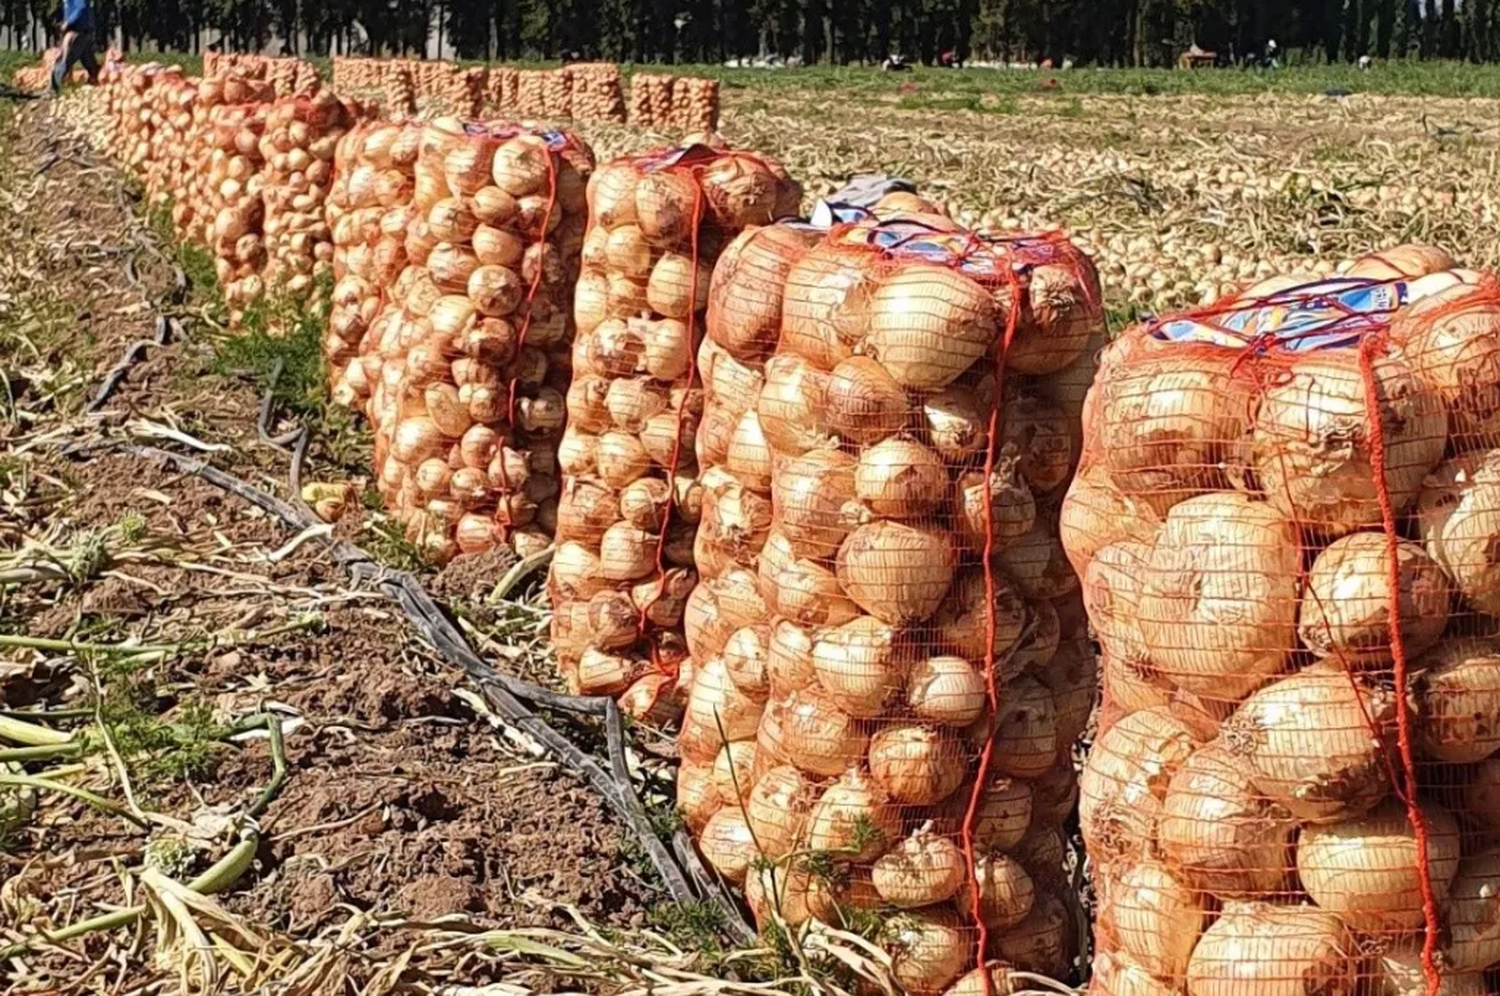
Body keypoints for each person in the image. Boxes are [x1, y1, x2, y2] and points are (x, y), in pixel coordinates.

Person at [51, 0, 99, 95]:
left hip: (80, 30)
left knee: (66, 58)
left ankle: (54, 87)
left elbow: (81, 7)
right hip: (79, 29)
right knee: (87, 59)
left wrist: (68, 22)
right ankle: (97, 78)